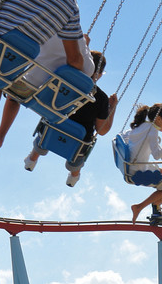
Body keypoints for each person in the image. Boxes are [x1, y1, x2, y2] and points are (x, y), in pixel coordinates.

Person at [0, 32, 94, 160]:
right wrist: (85, 46)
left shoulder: (51, 30)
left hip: (29, 85)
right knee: (14, 94)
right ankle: (0, 136)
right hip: (52, 102)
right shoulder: (89, 65)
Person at [22, 50, 119, 187]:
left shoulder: (65, 81)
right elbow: (102, 130)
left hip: (54, 128)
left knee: (49, 126)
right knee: (81, 150)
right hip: (78, 142)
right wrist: (112, 108)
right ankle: (74, 175)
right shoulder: (101, 98)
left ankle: (32, 159)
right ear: (98, 74)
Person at [124, 103, 162, 223]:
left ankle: (159, 199)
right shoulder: (153, 130)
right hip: (136, 171)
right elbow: (157, 155)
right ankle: (138, 207)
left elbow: (128, 137)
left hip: (132, 165)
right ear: (159, 118)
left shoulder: (142, 125)